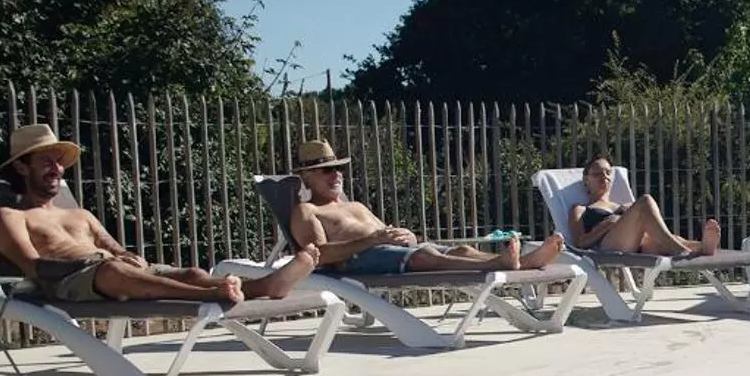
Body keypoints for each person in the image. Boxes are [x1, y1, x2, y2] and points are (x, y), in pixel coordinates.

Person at [0, 123, 316, 306]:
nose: (56, 168)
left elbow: (116, 249)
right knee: (113, 271)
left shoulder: (81, 215)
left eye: (58, 161)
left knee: (190, 271)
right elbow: (32, 266)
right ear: (21, 167)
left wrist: (125, 257)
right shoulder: (11, 216)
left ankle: (265, 285)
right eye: (45, 161)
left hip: (112, 269)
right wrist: (96, 262)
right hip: (70, 282)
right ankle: (211, 294)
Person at [287, 139, 564, 274]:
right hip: (358, 260)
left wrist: (408, 235)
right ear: (307, 177)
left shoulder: (355, 205)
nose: (336, 175)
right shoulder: (307, 211)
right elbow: (319, 255)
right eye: (327, 170)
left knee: (460, 249)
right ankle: (498, 264)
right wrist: (373, 239)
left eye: (338, 169)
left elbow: (385, 233)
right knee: (423, 257)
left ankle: (523, 262)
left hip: (392, 250)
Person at [568, 154, 722, 258]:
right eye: (597, 174)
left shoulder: (621, 205)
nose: (604, 177)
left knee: (658, 241)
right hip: (606, 246)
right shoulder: (580, 209)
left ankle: (702, 247)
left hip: (638, 244)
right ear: (586, 180)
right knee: (645, 201)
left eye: (608, 173)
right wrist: (606, 224)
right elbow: (579, 243)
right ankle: (679, 250)